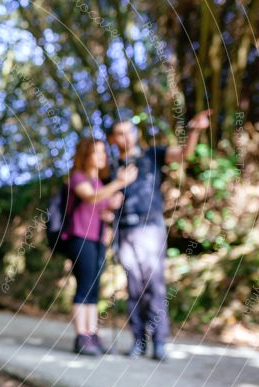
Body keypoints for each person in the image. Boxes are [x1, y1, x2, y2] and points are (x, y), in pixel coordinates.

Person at [107, 110, 212, 361]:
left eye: (128, 132)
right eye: (119, 134)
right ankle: (138, 341)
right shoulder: (110, 167)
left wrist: (195, 130)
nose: (126, 138)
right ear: (112, 139)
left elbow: (184, 154)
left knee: (154, 285)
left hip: (150, 227)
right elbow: (103, 202)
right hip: (123, 231)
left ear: (135, 133)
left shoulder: (151, 154)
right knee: (134, 287)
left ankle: (160, 341)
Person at [66, 138, 137, 356]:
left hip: (97, 240)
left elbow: (101, 208)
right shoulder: (78, 177)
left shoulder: (99, 182)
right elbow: (90, 197)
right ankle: (81, 336)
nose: (102, 156)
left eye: (103, 152)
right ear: (85, 154)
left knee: (94, 287)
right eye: (96, 152)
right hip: (79, 237)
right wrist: (118, 183)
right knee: (85, 285)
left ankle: (92, 333)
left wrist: (111, 206)